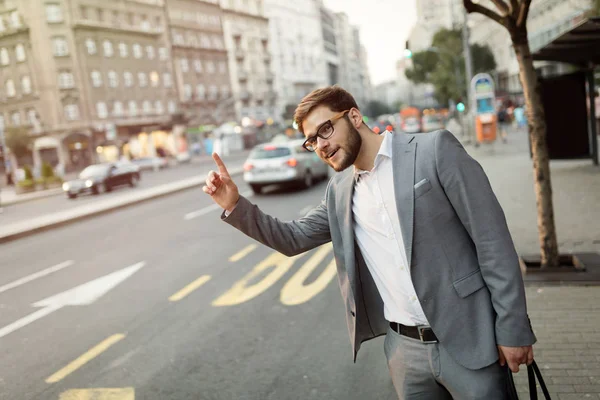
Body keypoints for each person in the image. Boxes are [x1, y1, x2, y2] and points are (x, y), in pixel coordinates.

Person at [203, 86, 535, 399]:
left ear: (354, 117)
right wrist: (235, 205)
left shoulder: (434, 151)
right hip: (405, 354)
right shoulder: (339, 191)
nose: (319, 144)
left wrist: (513, 328)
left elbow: (492, 241)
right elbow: (293, 238)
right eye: (310, 141)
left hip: (471, 341)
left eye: (325, 130)